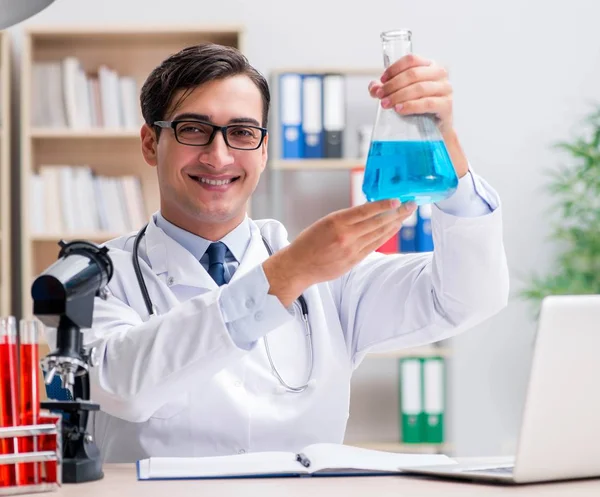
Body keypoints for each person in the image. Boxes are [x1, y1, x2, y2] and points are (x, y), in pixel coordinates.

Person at [54, 43, 509, 463]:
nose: (219, 156)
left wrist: (443, 139)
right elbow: (123, 387)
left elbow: (465, 298)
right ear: (151, 144)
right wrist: (288, 275)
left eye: (242, 132)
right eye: (194, 130)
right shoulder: (92, 277)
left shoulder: (333, 273)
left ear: (265, 147)